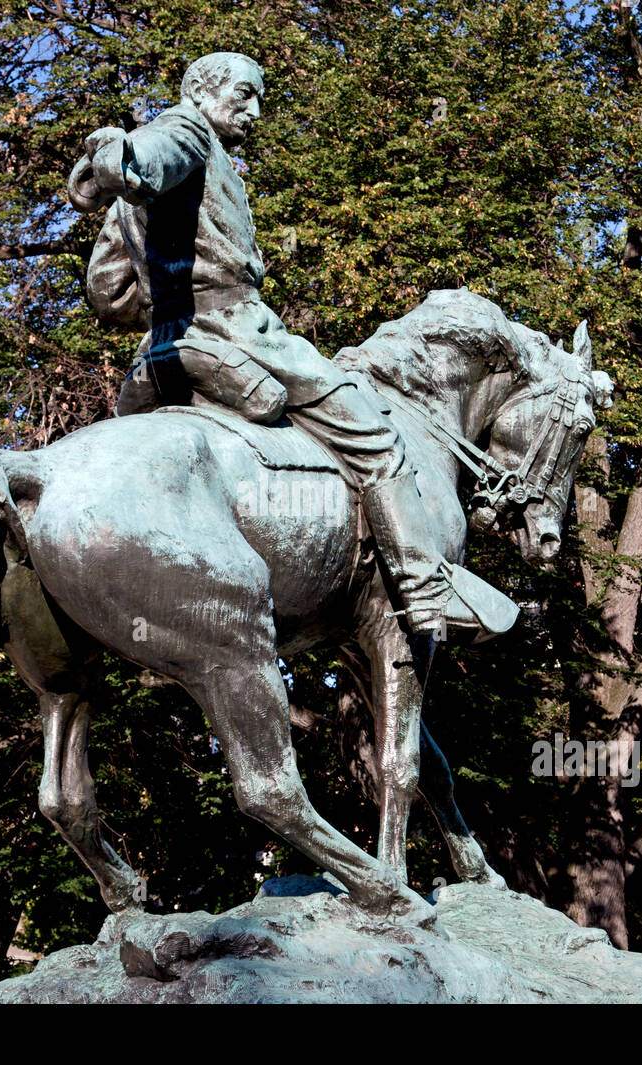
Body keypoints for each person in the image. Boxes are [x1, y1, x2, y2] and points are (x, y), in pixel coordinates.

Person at [69, 51, 511, 638]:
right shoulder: (190, 133)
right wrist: (116, 159)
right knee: (377, 437)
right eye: (244, 94)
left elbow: (108, 292)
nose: (255, 110)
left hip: (162, 353)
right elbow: (145, 161)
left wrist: (162, 285)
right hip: (237, 333)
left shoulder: (143, 201)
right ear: (201, 90)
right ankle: (426, 589)